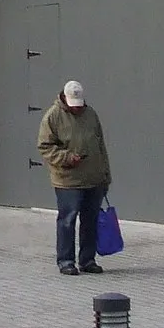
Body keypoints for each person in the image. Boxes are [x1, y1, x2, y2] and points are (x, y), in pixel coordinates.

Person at [36, 79, 112, 275]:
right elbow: (45, 147)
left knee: (90, 221)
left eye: (79, 106)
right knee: (67, 220)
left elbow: (100, 146)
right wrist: (67, 158)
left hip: (93, 178)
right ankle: (65, 261)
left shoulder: (91, 114)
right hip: (67, 180)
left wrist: (105, 175)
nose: (77, 110)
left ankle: (87, 260)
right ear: (64, 98)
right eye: (73, 106)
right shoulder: (53, 116)